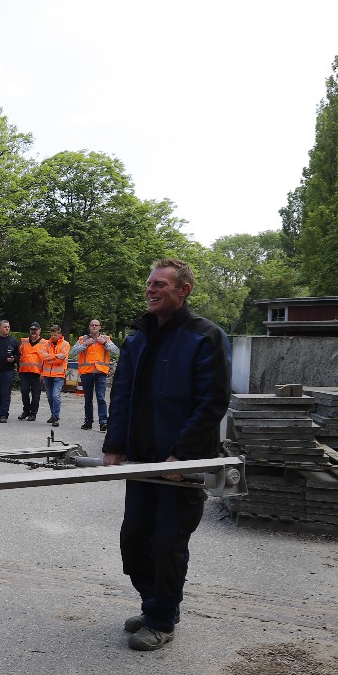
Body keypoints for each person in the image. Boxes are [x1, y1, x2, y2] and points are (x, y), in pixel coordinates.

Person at [102, 259, 231, 651]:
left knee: (167, 543)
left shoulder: (205, 336)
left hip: (181, 466)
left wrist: (183, 455)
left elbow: (213, 401)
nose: (150, 290)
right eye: (149, 283)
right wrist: (114, 445)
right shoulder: (137, 339)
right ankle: (153, 603)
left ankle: (161, 618)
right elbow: (122, 394)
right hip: (142, 461)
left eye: (160, 284)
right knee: (133, 540)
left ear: (183, 290)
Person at [69, 318, 119, 431]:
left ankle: (103, 422)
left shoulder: (105, 339)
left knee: (101, 398)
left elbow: (116, 351)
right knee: (88, 399)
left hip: (100, 372)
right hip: (86, 372)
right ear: (89, 327)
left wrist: (104, 343)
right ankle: (88, 421)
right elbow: (73, 352)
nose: (94, 327)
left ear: (100, 327)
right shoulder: (83, 339)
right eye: (92, 325)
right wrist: (85, 345)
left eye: (96, 325)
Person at [39, 324, 70, 426]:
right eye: (52, 335)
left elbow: (62, 359)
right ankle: (53, 414)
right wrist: (56, 356)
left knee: (55, 396)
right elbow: (42, 356)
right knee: (49, 397)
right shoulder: (46, 344)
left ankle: (55, 417)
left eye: (55, 335)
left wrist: (49, 358)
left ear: (60, 334)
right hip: (47, 374)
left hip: (59, 374)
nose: (53, 337)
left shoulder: (65, 344)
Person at [16, 322, 45, 421]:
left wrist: (43, 373)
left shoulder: (45, 343)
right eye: (32, 330)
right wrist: (18, 370)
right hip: (24, 372)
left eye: (35, 330)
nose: (33, 332)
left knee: (36, 395)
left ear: (39, 330)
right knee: (24, 392)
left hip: (37, 373)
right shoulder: (24, 342)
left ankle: (33, 413)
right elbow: (19, 355)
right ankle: (26, 411)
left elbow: (47, 360)